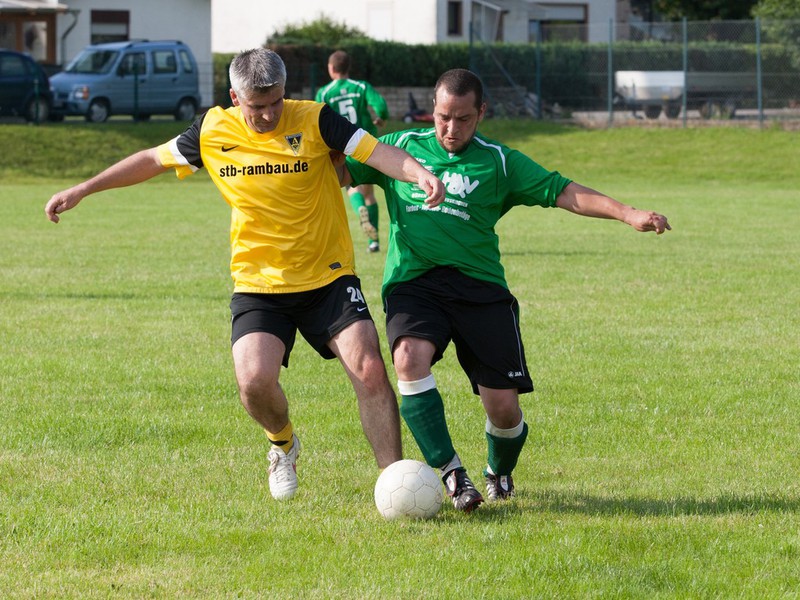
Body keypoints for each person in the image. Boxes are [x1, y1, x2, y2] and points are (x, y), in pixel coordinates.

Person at [44, 48, 444, 502]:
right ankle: (283, 444)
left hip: (329, 277)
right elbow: (152, 159)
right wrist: (84, 189)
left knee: (370, 370)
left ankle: (393, 483)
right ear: (235, 98)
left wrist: (418, 174)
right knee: (253, 383)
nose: (269, 114)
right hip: (259, 282)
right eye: (257, 107)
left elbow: (376, 151)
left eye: (276, 102)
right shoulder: (212, 130)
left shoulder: (315, 119)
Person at [341, 68, 670, 513]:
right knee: (408, 359)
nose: (451, 129)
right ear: (432, 110)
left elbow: (563, 191)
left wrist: (628, 213)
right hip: (415, 283)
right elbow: (337, 170)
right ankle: (452, 473)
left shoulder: (498, 161)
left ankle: (499, 471)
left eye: (462, 119)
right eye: (442, 117)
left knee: (503, 410)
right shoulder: (400, 148)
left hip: (480, 288)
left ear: (481, 113)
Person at [316, 50, 389, 253]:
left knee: (351, 187)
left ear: (331, 68)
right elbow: (381, 106)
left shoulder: (324, 93)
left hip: (342, 148)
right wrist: (381, 118)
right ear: (348, 67)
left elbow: (317, 119)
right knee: (369, 192)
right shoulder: (361, 87)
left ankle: (359, 209)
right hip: (366, 144)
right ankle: (374, 242)